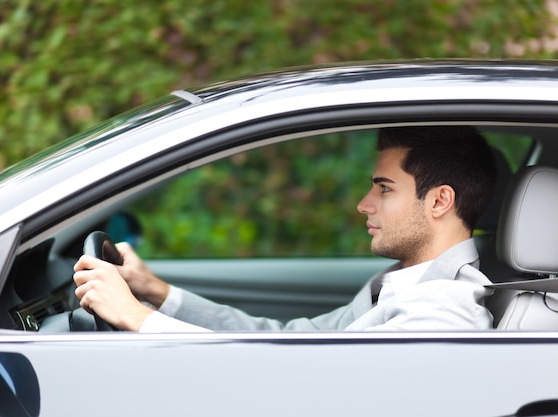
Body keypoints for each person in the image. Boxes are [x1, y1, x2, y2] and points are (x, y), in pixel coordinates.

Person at [73, 125, 498, 332]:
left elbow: (306, 387)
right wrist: (155, 292)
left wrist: (134, 317)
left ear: (440, 200)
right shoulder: (400, 284)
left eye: (384, 189)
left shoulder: (440, 311)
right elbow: (286, 343)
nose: (363, 204)